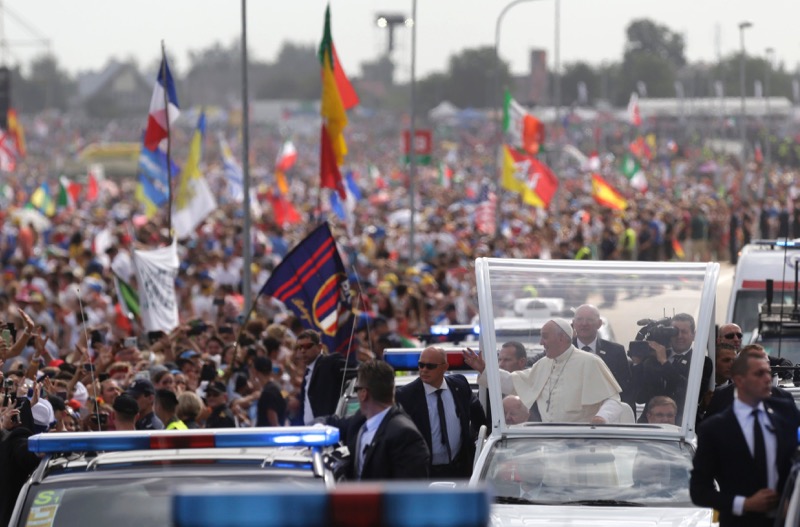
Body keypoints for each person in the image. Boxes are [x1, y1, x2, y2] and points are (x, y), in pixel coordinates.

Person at [690, 349, 800, 526]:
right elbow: (699, 491)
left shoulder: (786, 415)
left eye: (768, 373)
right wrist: (744, 504)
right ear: (739, 380)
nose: (767, 379)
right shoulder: (714, 429)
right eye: (759, 374)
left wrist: (790, 500)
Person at [464, 318, 623, 424]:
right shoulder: (543, 364)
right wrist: (485, 369)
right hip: (548, 441)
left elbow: (613, 400)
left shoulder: (590, 362)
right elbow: (513, 382)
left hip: (583, 442)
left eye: (545, 337)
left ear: (561, 338)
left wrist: (602, 418)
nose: (541, 343)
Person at [396, 346, 486, 479]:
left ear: (445, 367)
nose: (424, 370)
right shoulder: (405, 396)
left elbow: (478, 417)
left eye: (430, 366)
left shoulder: (459, 385)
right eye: (421, 365)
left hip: (460, 471)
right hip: (425, 474)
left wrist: (475, 441)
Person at [333, 360, 430, 480]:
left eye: (357, 389)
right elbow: (337, 423)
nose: (357, 394)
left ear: (364, 393)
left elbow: (410, 492)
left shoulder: (405, 435)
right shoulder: (361, 422)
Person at [632, 313, 712, 417]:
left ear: (694, 335)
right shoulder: (653, 360)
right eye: (674, 331)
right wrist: (637, 364)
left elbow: (688, 394)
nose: (679, 336)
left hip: (682, 422)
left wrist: (665, 363)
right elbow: (639, 397)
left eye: (684, 332)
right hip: (651, 421)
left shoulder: (702, 362)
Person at [703, 345, 795, 420]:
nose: (767, 378)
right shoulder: (720, 396)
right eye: (759, 372)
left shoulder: (784, 400)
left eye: (768, 369)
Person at [571, 304, 633, 411]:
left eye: (590, 320)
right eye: (580, 319)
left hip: (606, 413)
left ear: (599, 324)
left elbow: (625, 390)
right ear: (573, 324)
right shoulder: (564, 350)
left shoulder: (615, 351)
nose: (584, 324)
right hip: (572, 414)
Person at [292, 329, 354, 425]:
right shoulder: (307, 373)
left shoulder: (329, 362)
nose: (303, 350)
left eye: (308, 346)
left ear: (319, 347)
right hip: (308, 431)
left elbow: (354, 370)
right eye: (300, 347)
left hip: (325, 429)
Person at [251, 357, 286, 427]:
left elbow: (274, 423)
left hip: (266, 436)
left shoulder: (267, 393)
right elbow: (287, 399)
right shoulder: (280, 388)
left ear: (255, 371)